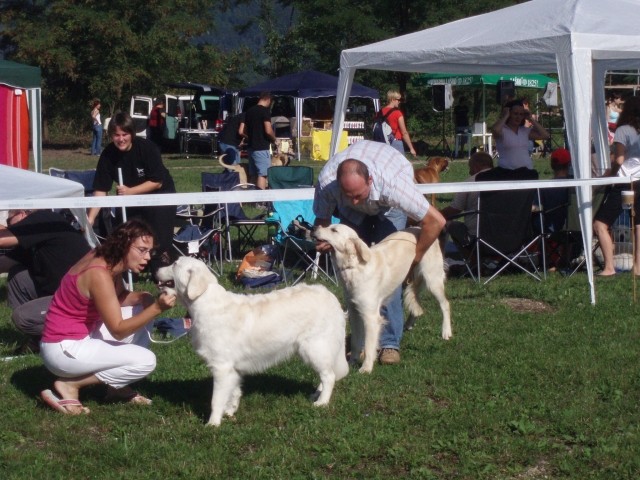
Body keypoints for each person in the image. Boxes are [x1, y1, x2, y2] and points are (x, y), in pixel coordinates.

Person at [313, 140, 446, 365]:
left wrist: (414, 259)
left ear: (370, 180)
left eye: (358, 194)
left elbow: (436, 221)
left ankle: (389, 344)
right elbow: (322, 222)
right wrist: (325, 242)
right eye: (348, 194)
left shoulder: (395, 185)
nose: (354, 200)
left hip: (389, 205)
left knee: (387, 272)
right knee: (356, 272)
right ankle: (360, 342)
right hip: (353, 212)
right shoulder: (328, 183)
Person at [39, 219, 177, 415]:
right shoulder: (99, 274)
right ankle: (71, 385)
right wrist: (156, 308)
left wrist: (143, 298)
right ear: (123, 245)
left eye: (149, 251)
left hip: (73, 338)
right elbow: (118, 330)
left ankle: (116, 387)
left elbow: (118, 297)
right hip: (63, 348)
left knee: (140, 310)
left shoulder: (107, 259)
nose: (147, 257)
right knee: (146, 361)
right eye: (141, 250)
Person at [88, 111, 177, 278]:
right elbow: (101, 189)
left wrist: (130, 191)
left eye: (124, 134)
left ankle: (161, 274)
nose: (121, 139)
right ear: (111, 135)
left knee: (159, 239)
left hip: (160, 196)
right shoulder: (107, 155)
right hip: (131, 200)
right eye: (116, 135)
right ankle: (128, 272)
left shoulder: (147, 148)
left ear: (132, 134)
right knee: (125, 235)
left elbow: (157, 181)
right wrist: (90, 218)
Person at [0, 209, 91, 353]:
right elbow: (4, 263)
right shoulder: (34, 236)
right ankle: (37, 338)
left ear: (22, 213)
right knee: (18, 276)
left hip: (78, 299)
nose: (9, 227)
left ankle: (62, 338)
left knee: (22, 317)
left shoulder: (43, 219)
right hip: (57, 293)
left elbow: (2, 239)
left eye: (10, 222)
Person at [593, 95, 640, 276]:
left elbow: (619, 160)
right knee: (638, 224)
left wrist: (609, 176)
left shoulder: (623, 130)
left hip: (624, 182)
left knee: (600, 224)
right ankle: (637, 268)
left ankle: (609, 267)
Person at [441, 152, 494, 251]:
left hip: (477, 238)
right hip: (508, 238)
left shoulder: (470, 182)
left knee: (443, 222)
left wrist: (437, 214)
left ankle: (470, 259)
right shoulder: (505, 181)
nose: (470, 172)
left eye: (470, 168)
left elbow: (455, 209)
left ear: (476, 166)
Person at [491, 98, 550, 170]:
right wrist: (505, 116)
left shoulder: (524, 131)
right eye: (515, 114)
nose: (518, 117)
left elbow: (545, 135)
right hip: (507, 172)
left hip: (526, 171)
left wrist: (530, 118)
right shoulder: (502, 130)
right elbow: (495, 130)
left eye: (521, 114)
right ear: (509, 114)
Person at [242, 91, 277, 190]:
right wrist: (274, 139)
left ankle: (252, 200)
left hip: (251, 147)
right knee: (263, 174)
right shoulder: (264, 111)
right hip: (261, 147)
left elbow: (244, 130)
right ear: (269, 100)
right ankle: (260, 201)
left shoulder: (249, 111)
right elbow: (268, 130)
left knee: (253, 174)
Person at [377, 90, 416, 156]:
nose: (400, 102)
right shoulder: (397, 113)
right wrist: (411, 148)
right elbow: (404, 133)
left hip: (382, 143)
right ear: (392, 99)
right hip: (395, 142)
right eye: (398, 100)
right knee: (399, 165)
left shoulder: (379, 112)